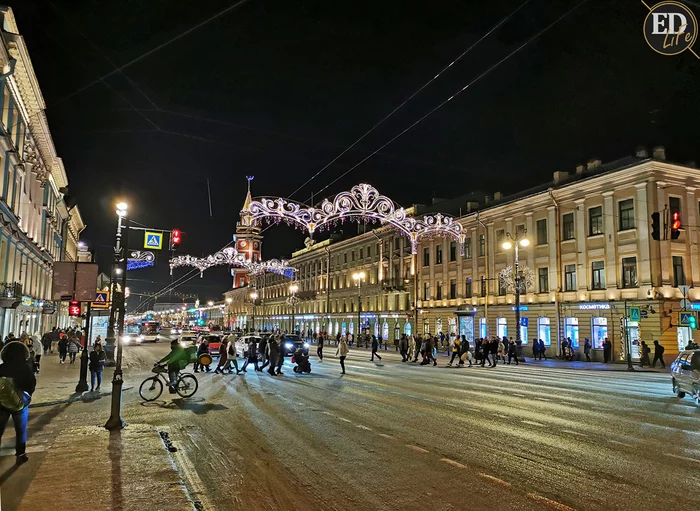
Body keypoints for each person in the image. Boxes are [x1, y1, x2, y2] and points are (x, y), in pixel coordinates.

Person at [0, 341, 36, 465]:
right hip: (20, 403)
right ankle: (21, 454)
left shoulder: (2, 367)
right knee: (20, 429)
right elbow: (31, 385)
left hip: (2, 403)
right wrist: (26, 395)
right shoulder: (26, 368)